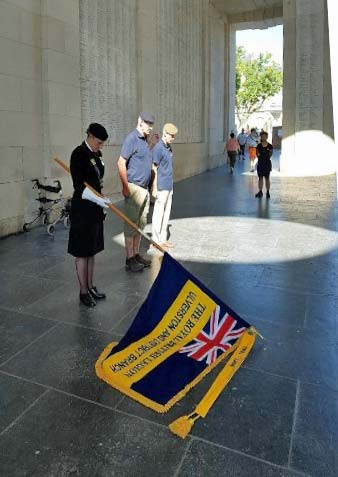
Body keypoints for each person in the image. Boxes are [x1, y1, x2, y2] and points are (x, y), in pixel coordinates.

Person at [68, 123, 111, 307]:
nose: (100, 146)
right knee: (82, 252)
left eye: (102, 144)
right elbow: (79, 186)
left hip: (94, 210)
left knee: (91, 250)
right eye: (99, 142)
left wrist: (101, 203)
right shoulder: (78, 154)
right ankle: (83, 291)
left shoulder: (96, 154)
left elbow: (97, 181)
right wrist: (98, 200)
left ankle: (91, 286)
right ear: (90, 136)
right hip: (82, 210)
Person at [117, 112, 155, 272]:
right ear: (140, 122)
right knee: (131, 225)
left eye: (151, 125)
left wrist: (153, 144)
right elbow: (120, 163)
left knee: (140, 224)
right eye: (148, 124)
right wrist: (125, 187)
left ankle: (137, 254)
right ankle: (129, 258)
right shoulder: (131, 138)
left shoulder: (144, 140)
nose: (150, 128)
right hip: (134, 188)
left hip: (143, 189)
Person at [151, 123, 178, 248]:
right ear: (165, 134)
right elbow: (154, 168)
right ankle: (155, 240)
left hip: (169, 184)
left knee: (166, 212)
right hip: (161, 185)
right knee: (158, 213)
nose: (173, 138)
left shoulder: (168, 147)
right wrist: (154, 187)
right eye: (171, 136)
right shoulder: (158, 148)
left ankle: (162, 238)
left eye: (174, 136)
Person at [255, 131, 273, 199]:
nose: (263, 137)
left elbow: (270, 154)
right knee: (260, 178)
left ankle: (268, 192)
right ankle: (260, 192)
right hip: (260, 164)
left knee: (267, 178)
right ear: (261, 137)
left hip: (267, 164)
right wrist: (261, 156)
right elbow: (257, 154)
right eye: (262, 136)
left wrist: (265, 156)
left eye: (265, 136)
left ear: (267, 137)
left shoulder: (270, 146)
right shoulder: (259, 145)